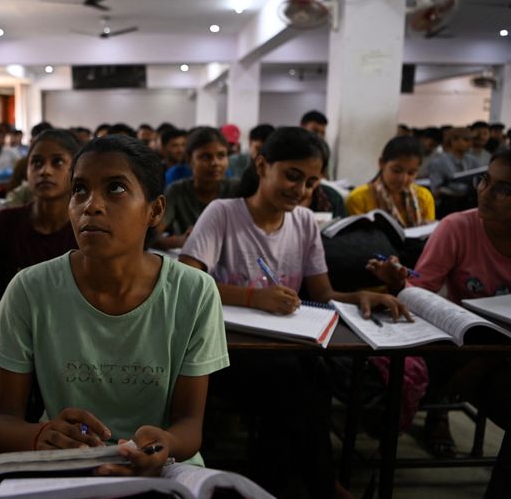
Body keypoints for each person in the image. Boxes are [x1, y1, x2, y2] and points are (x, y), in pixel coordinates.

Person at [0, 134, 229, 476]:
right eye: (80, 190)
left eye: (115, 188)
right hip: (64, 461)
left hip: (163, 467)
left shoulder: (193, 291)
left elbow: (189, 425)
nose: (91, 205)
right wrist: (40, 433)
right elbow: (1, 424)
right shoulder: (30, 288)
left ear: (155, 210)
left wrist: (164, 446)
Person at [179, 127, 405, 498]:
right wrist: (254, 297)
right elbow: (186, 283)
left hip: (285, 349)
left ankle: (283, 484)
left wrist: (365, 294)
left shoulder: (302, 221)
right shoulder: (223, 214)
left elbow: (323, 293)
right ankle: (319, 484)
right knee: (296, 386)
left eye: (311, 181)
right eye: (292, 176)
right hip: (225, 353)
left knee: (303, 382)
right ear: (263, 165)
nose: (300, 190)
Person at [367, 150, 511, 494]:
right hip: (465, 347)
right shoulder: (458, 227)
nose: (486, 193)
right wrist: (399, 283)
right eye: (486, 180)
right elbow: (422, 291)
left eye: (504, 189)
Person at [0, 129, 81, 309]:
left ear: (76, 170)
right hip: (11, 324)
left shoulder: (85, 227)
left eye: (57, 162)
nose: (45, 171)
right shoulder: (4, 223)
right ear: (26, 170)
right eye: (36, 162)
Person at [155, 127, 238, 250]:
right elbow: (152, 234)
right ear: (189, 159)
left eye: (221, 156)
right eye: (206, 157)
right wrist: (181, 241)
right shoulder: (177, 190)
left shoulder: (236, 189)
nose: (215, 163)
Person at [346, 136, 435, 226]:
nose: (403, 179)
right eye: (396, 170)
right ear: (381, 163)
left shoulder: (424, 197)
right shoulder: (358, 199)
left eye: (411, 173)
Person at [426, 127, 480, 197]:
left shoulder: (472, 160)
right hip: (449, 202)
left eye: (471, 140)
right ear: (453, 141)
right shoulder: (439, 162)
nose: (470, 143)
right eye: (466, 140)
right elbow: (436, 189)